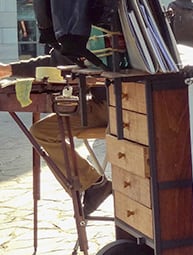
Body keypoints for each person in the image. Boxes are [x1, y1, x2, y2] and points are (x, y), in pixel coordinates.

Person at [0, 55, 111, 215]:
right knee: (42, 132)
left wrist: (10, 70)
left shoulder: (86, 33)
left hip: (112, 106)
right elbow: (60, 58)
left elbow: (60, 60)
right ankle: (92, 183)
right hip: (99, 103)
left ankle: (92, 184)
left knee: (43, 133)